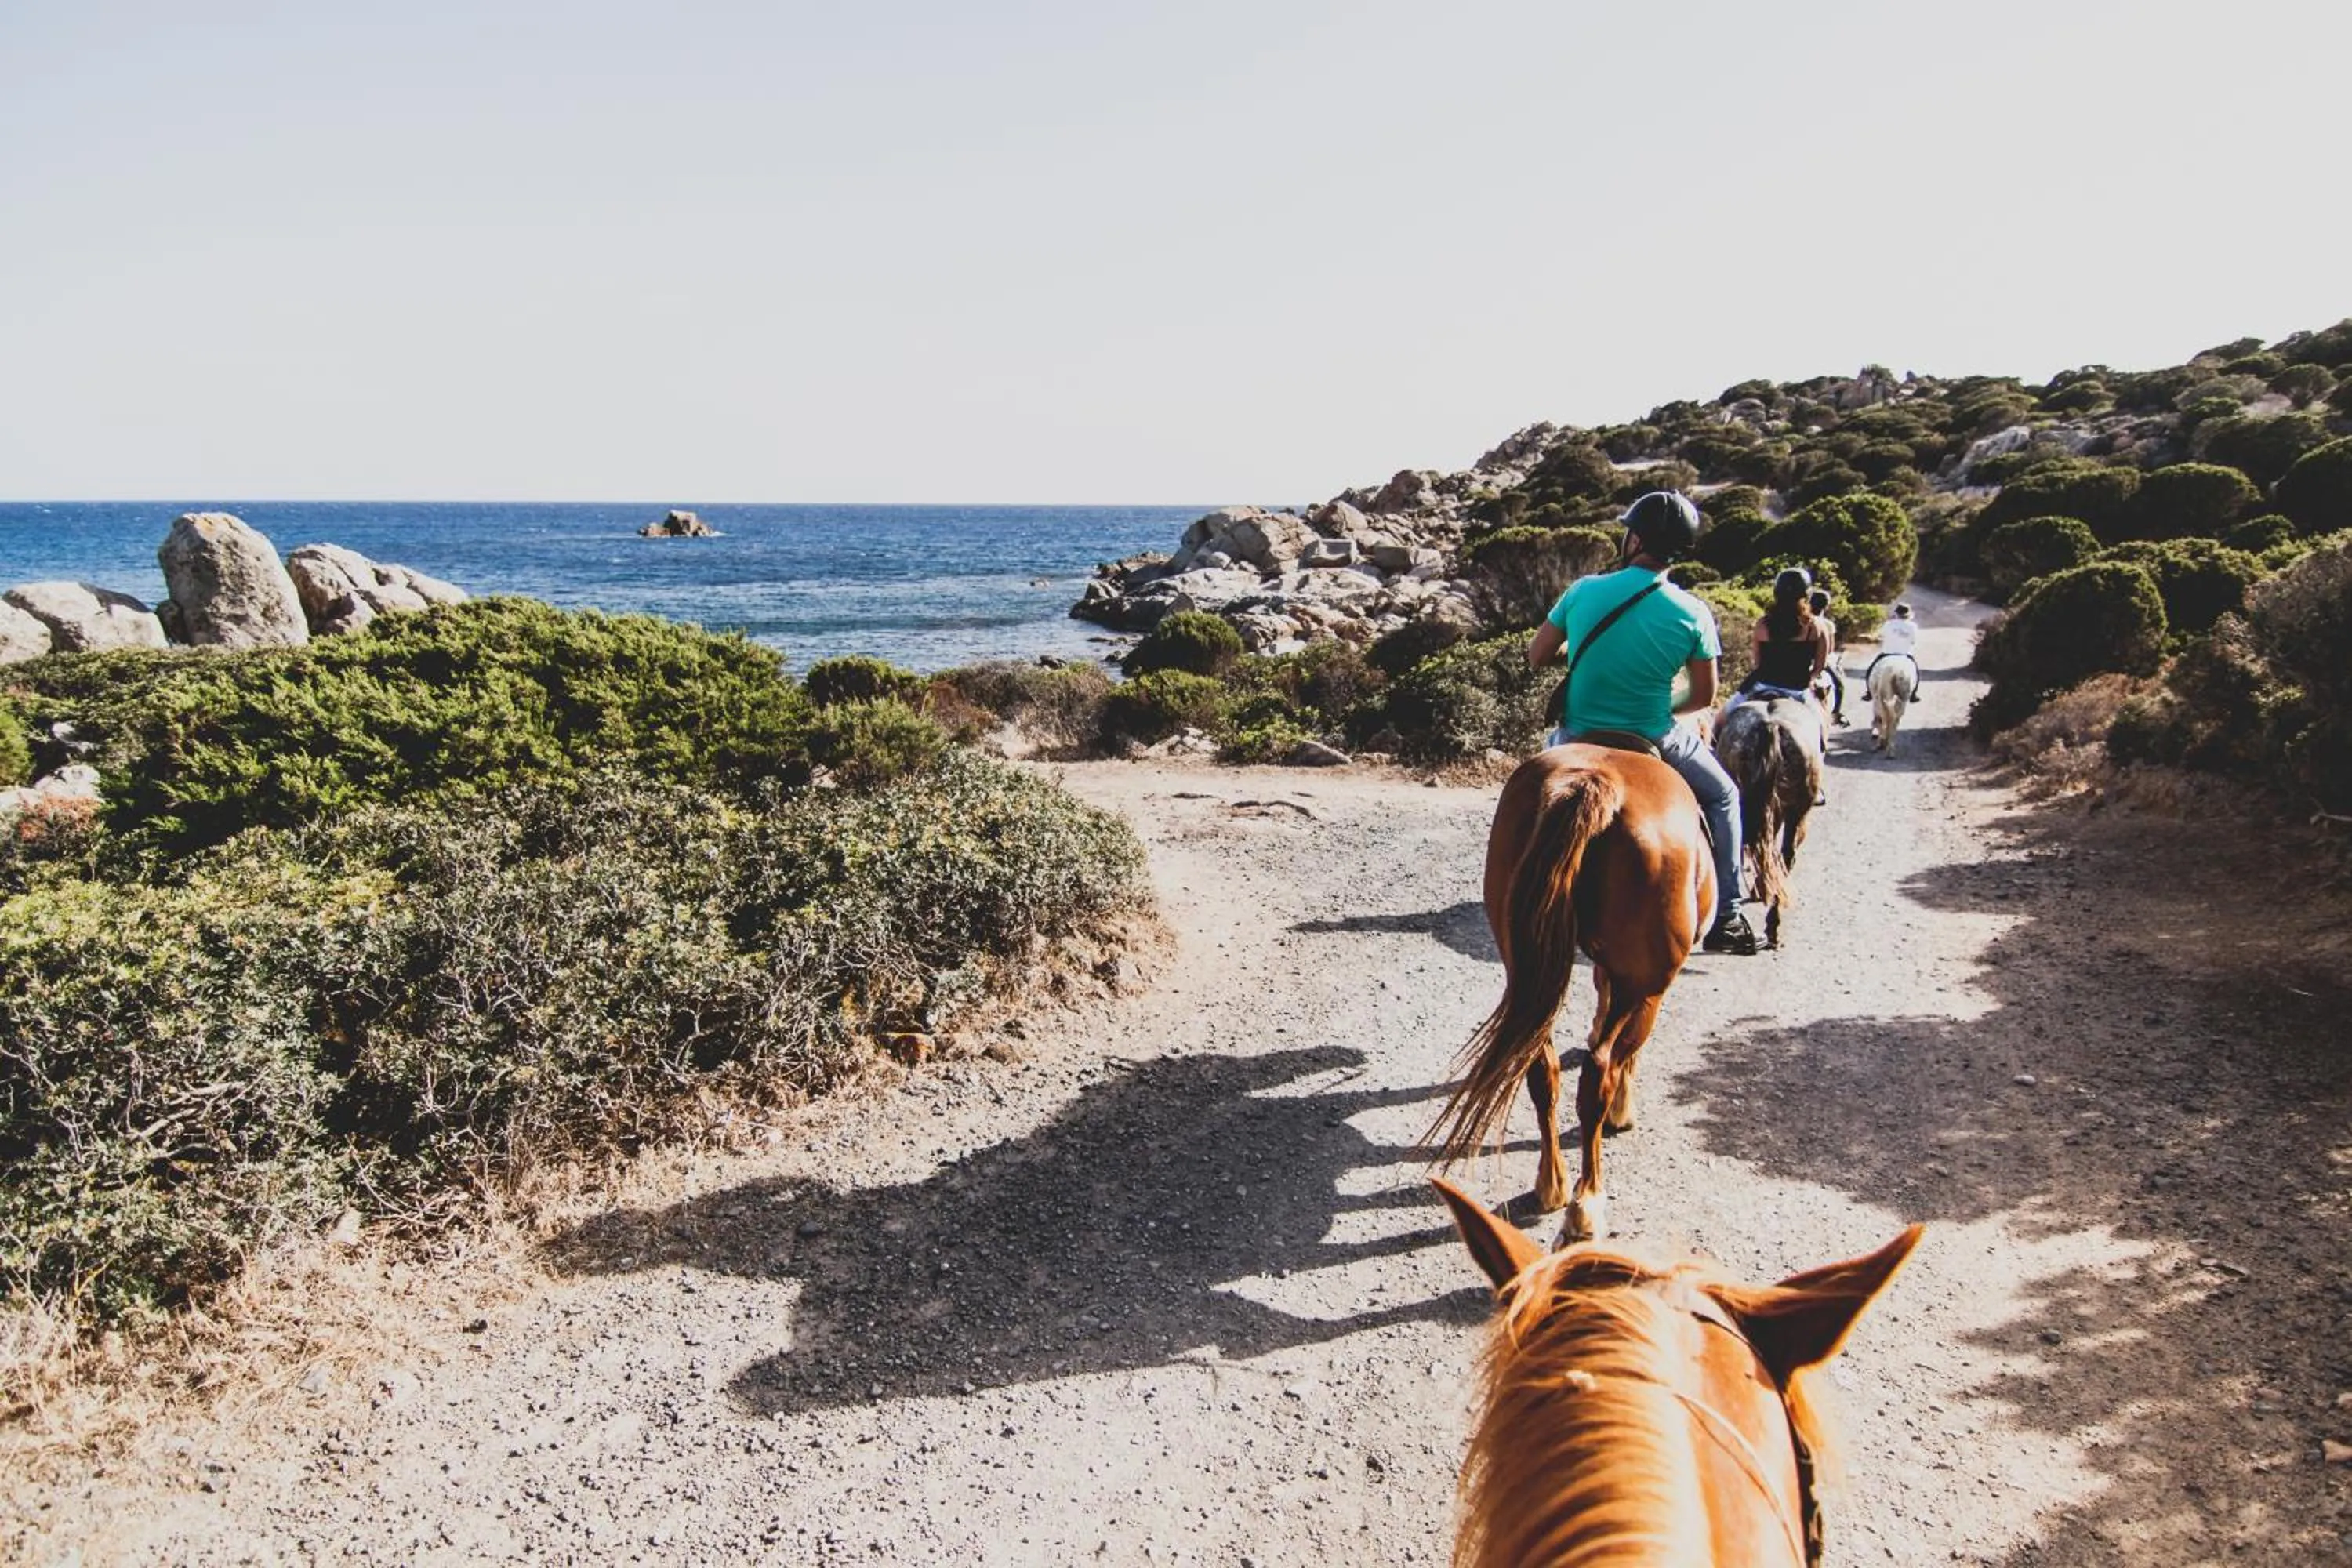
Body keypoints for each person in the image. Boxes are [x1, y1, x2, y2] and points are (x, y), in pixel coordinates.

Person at [1526, 490, 1761, 956]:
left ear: (1634, 540)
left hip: (1576, 734)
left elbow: (1536, 655)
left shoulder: (1584, 591)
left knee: (1533, 796)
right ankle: (1729, 916)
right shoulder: (1693, 612)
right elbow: (1703, 697)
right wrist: (1662, 703)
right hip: (1655, 734)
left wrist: (1582, 655)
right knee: (1723, 797)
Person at [1864, 601, 1922, 702]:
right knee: (1916, 673)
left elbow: (1880, 635)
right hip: (1905, 655)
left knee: (1870, 671)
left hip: (1887, 654)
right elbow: (1913, 641)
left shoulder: (1888, 624)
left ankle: (1869, 692)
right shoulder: (1913, 626)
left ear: (1896, 613)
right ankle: (1914, 694)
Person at [1808, 587, 1848, 725]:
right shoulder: (1828, 625)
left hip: (1800, 659)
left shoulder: (1802, 620)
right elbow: (1829, 650)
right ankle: (1836, 714)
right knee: (1840, 684)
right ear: (1826, 606)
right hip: (1819, 661)